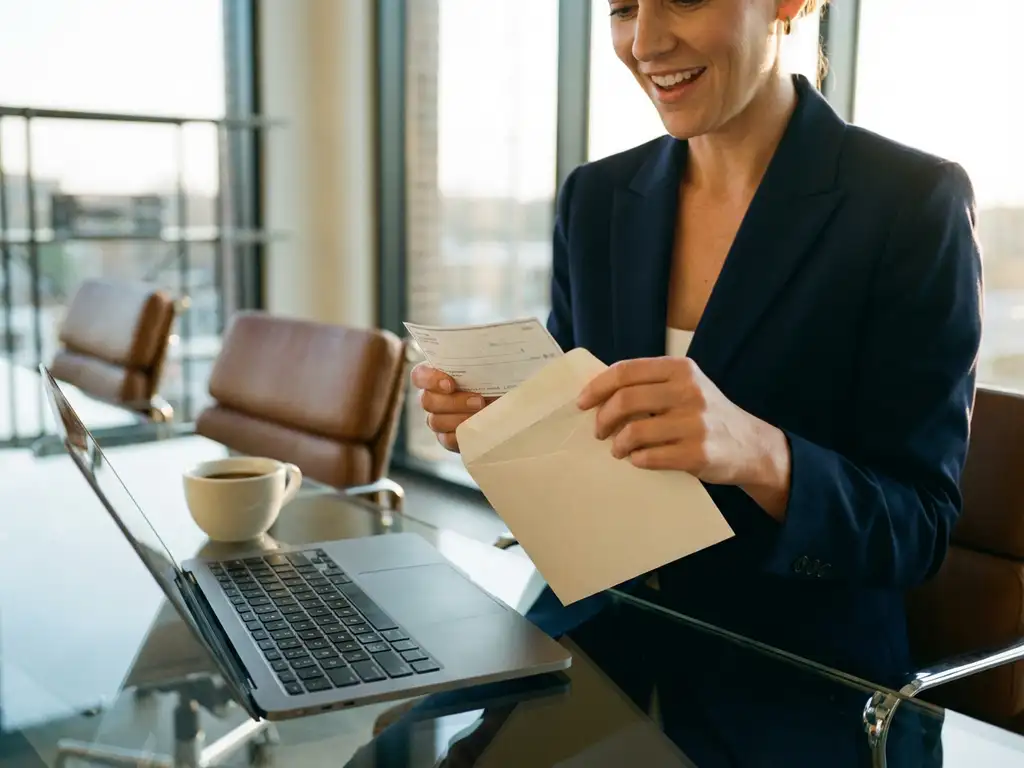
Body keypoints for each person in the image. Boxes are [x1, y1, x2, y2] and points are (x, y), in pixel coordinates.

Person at [411, 0, 983, 686]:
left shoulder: (910, 203)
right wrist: (505, 428)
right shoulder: (595, 198)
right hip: (592, 633)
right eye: (622, 9)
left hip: (793, 676)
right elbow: (586, 449)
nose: (644, 42)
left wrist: (757, 452)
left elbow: (917, 529)